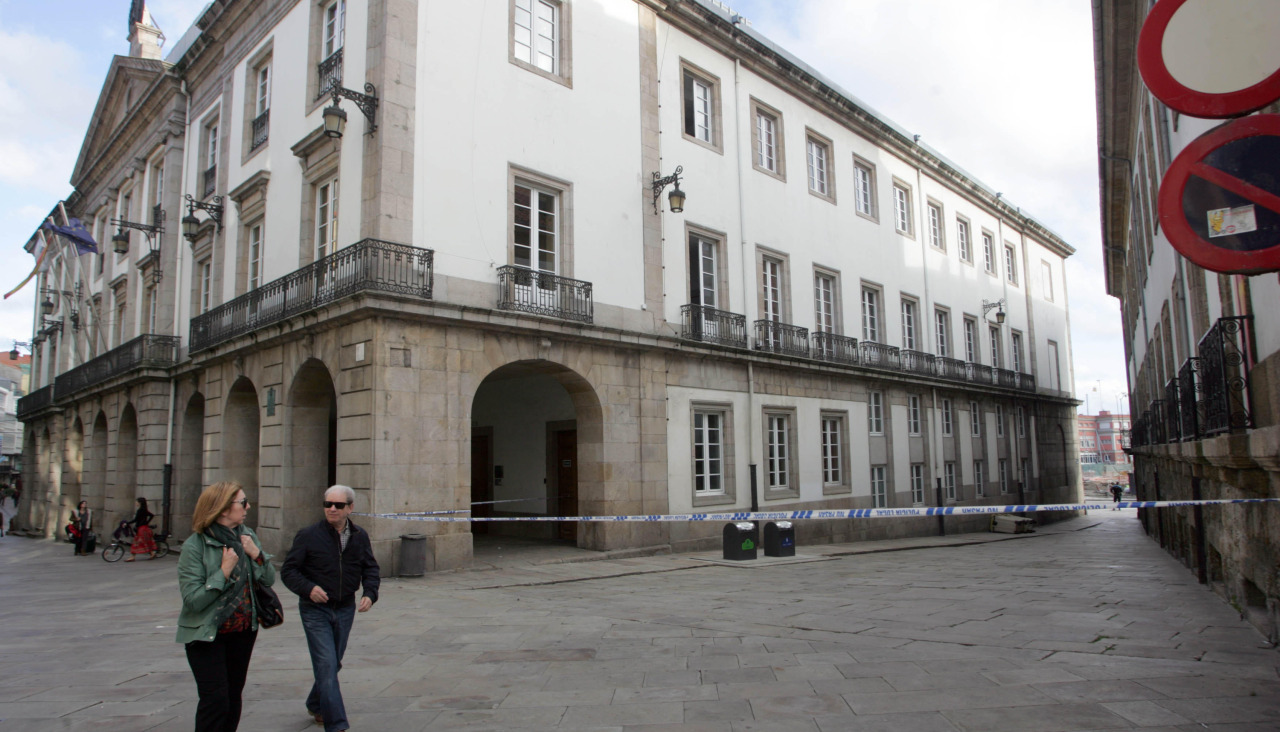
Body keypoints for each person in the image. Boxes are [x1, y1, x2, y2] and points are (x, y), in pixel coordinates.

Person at [177, 481, 275, 732]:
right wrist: (223, 571)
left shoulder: (247, 535)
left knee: (233, 697)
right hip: (207, 634)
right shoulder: (194, 546)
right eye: (242, 502)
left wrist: (257, 555)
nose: (248, 506)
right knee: (215, 699)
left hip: (243, 630)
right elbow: (193, 600)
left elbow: (268, 579)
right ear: (222, 509)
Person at [281, 485, 380, 732]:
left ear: (350, 508)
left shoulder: (359, 536)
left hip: (345, 608)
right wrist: (308, 589)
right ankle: (336, 725)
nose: (332, 509)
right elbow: (289, 570)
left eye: (338, 505)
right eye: (328, 505)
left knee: (333, 662)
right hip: (315, 609)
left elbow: (370, 567)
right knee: (326, 663)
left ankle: (316, 702)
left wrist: (370, 592)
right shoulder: (308, 535)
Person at [126, 497, 157, 562]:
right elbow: (151, 515)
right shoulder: (144, 509)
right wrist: (147, 522)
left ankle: (133, 556)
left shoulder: (140, 510)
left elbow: (135, 520)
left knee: (137, 542)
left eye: (137, 502)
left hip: (141, 529)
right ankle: (152, 553)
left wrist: (127, 523)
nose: (136, 503)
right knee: (145, 541)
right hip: (144, 528)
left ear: (140, 503)